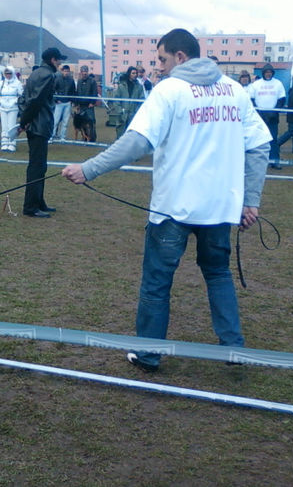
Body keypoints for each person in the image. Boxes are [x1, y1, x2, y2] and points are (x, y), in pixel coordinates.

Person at [62, 28, 271, 372]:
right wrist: (250, 200)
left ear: (180, 57)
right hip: (220, 209)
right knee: (218, 274)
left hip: (173, 209)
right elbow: (260, 144)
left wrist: (89, 169)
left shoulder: (169, 90)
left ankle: (148, 354)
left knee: (157, 283)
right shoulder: (234, 90)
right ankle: (233, 349)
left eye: (161, 59)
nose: (158, 66)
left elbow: (137, 141)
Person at [20, 47, 66, 218]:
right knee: (37, 167)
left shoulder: (36, 73)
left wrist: (25, 120)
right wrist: (23, 122)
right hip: (39, 125)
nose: (61, 63)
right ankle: (31, 206)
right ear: (53, 59)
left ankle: (38, 201)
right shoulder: (47, 75)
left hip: (36, 125)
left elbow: (25, 99)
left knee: (40, 166)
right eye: (59, 59)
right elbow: (35, 102)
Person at [250, 63, 286, 169]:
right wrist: (258, 113)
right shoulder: (256, 84)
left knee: (273, 139)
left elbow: (282, 99)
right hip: (259, 116)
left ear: (272, 73)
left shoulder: (278, 83)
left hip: (273, 116)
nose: (268, 74)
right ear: (263, 73)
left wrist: (274, 112)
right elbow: (251, 99)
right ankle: (258, 161)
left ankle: (274, 160)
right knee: (258, 139)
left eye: (270, 72)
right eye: (266, 72)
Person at [0, 65, 24, 152]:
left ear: (13, 73)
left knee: (11, 126)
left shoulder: (17, 83)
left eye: (10, 73)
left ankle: (12, 144)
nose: (8, 75)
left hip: (13, 108)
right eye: (6, 73)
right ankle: (4, 143)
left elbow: (21, 95)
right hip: (3, 107)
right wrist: (1, 101)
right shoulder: (1, 83)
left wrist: (14, 101)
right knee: (4, 126)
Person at [114, 66, 145, 139]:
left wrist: (136, 111)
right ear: (129, 74)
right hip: (122, 115)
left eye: (136, 73)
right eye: (133, 73)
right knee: (120, 135)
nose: (135, 75)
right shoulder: (121, 86)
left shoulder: (139, 87)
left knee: (131, 137)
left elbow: (141, 100)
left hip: (133, 115)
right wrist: (120, 110)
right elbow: (116, 99)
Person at [52, 64, 76, 142]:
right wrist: (56, 100)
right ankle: (51, 136)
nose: (66, 73)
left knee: (65, 122)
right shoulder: (57, 79)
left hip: (67, 103)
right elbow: (52, 90)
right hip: (59, 103)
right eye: (65, 71)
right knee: (55, 121)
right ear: (62, 71)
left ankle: (63, 137)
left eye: (67, 71)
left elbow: (73, 91)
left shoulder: (71, 80)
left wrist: (71, 100)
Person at [75, 65, 98, 142]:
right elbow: (77, 92)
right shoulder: (79, 81)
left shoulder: (92, 81)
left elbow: (95, 92)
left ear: (87, 72)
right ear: (81, 72)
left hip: (89, 105)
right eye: (83, 71)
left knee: (91, 122)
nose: (84, 73)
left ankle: (92, 138)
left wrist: (92, 102)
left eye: (86, 71)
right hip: (81, 105)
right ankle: (84, 137)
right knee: (82, 123)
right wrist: (77, 104)